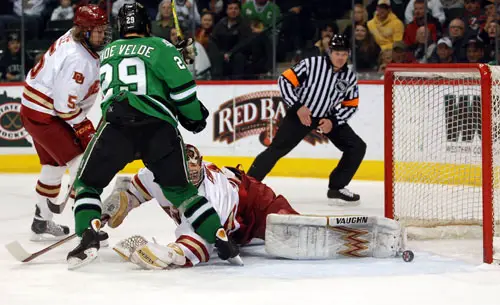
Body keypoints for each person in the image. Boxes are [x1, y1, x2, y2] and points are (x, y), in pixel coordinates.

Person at [66, 2, 239, 269]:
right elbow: (181, 92)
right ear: (147, 25)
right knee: (184, 194)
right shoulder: (162, 46)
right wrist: (193, 117)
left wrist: (174, 55)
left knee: (86, 184)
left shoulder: (108, 52)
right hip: (157, 130)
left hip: (116, 128)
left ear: (120, 27)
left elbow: (136, 73)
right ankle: (221, 240)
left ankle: (87, 236)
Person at [102, 143, 299, 269]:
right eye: (187, 174)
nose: (192, 179)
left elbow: (201, 241)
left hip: (253, 203)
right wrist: (118, 204)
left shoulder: (212, 196)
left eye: (196, 172)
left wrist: (173, 253)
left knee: (288, 227)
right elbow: (135, 190)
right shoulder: (156, 173)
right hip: (231, 228)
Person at [20, 4, 110, 241]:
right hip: (46, 115)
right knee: (83, 165)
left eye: (103, 29)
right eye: (98, 30)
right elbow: (64, 106)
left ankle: (41, 221)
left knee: (53, 167)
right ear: (84, 31)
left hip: (36, 110)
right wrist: (84, 127)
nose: (103, 35)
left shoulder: (75, 38)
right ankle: (86, 224)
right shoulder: (77, 59)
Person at [247, 34, 366, 204]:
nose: (340, 57)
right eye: (337, 53)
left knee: (357, 147)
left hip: (327, 116)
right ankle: (249, 184)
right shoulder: (312, 64)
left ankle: (337, 187)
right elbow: (285, 80)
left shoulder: (349, 77)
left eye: (344, 54)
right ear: (330, 52)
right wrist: (298, 107)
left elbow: (351, 104)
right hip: (302, 112)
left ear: (348, 54)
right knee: (276, 149)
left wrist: (334, 121)